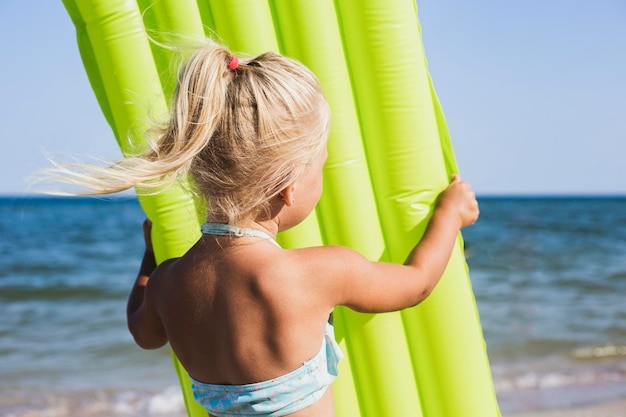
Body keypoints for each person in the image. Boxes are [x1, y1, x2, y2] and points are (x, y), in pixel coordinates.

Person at [54, 40, 479, 417]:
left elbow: (142, 332)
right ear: (289, 185)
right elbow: (415, 283)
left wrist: (150, 255)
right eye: (322, 164)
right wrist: (450, 215)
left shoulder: (169, 283)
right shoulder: (315, 274)